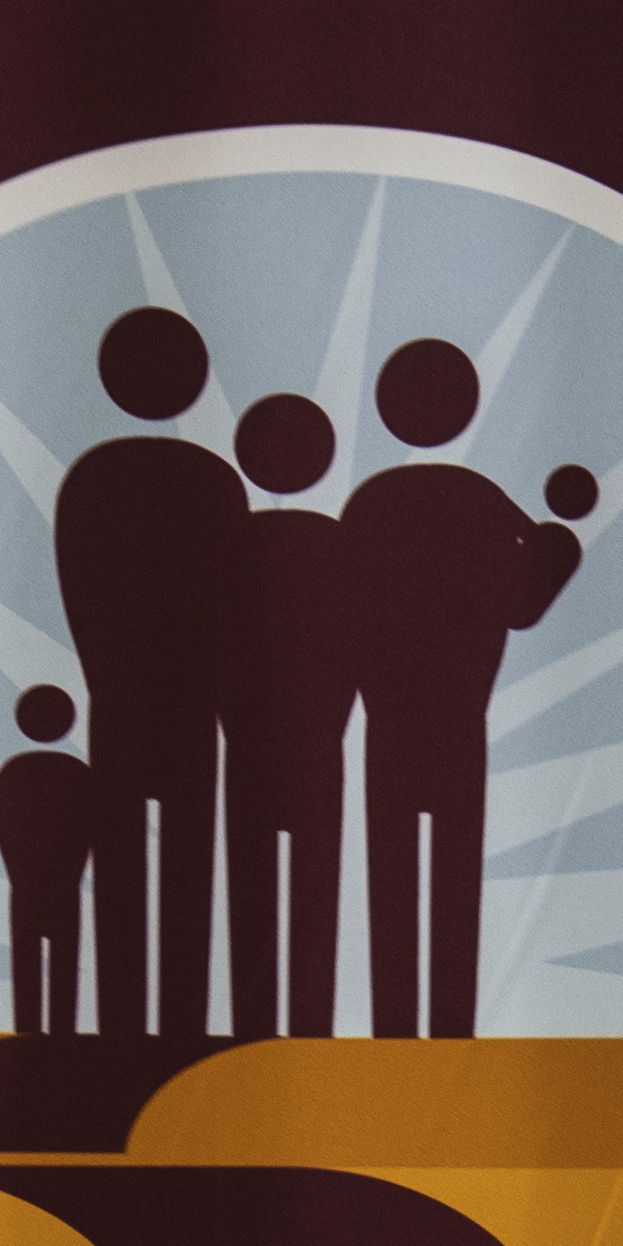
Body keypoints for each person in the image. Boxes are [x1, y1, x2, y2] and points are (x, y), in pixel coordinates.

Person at [338, 337, 584, 1037]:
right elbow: (524, 605)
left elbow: (342, 607)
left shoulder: (369, 504)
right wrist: (558, 547)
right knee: (453, 884)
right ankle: (451, 1038)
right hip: (455, 724)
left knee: (391, 878)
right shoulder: (484, 503)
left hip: (385, 721)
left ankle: (392, 1034)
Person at [49, 306, 242, 1036]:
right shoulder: (217, 485)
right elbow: (236, 604)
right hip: (192, 712)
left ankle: (121, 1033)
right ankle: (184, 1036)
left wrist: (111, 678)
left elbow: (81, 596)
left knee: (123, 879)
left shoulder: (90, 482)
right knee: (188, 875)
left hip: (122, 709)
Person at [219, 392, 359, 1039]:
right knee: (313, 896)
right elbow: (364, 646)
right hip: (315, 749)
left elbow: (207, 640)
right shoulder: (339, 546)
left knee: (253, 892)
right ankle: (310, 1036)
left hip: (248, 747)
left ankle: (253, 1037)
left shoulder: (231, 545)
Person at [0, 684, 91, 1035]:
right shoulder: (77, 776)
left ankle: (32, 1042)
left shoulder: (12, 776)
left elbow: (7, 832)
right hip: (60, 890)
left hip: (31, 890)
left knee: (29, 974)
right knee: (61, 973)